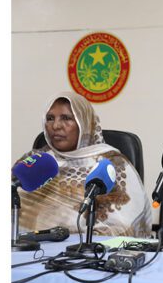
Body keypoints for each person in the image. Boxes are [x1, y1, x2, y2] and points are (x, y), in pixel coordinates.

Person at [15, 92, 152, 237]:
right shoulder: (35, 159)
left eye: (66, 118)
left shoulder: (113, 164)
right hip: (26, 246)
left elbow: (124, 225)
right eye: (50, 118)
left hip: (87, 248)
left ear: (85, 123)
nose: (56, 126)